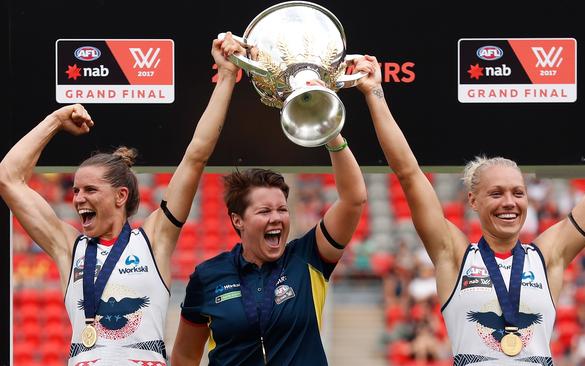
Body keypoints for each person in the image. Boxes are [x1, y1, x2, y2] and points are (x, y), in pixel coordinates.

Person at [360, 51, 585, 364]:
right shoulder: (454, 255)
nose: (509, 202)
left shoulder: (548, 256)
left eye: (518, 192)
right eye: (496, 193)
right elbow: (408, 173)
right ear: (473, 200)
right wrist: (375, 93)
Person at [0, 34, 244, 365]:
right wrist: (56, 120)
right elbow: (7, 178)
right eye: (74, 191)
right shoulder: (68, 247)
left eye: (89, 190)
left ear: (121, 195)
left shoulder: (155, 238)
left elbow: (196, 155)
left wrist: (227, 76)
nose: (78, 199)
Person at [170, 78, 368, 366]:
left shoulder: (309, 257)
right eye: (264, 212)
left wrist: (329, 131)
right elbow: (185, 355)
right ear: (238, 220)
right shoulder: (208, 275)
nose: (276, 217)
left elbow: (353, 199)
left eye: (282, 210)